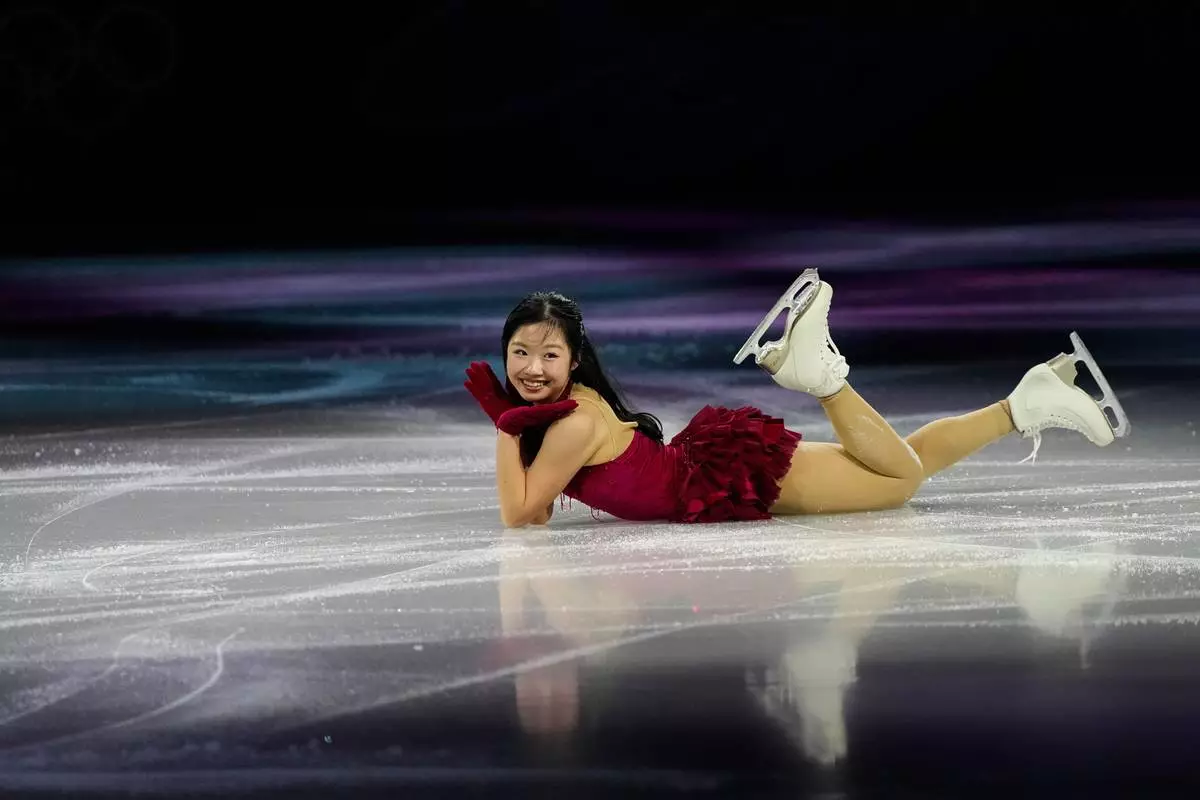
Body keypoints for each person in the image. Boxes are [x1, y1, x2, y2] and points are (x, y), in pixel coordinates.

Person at [464, 269, 1130, 528]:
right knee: (904, 461)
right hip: (712, 471)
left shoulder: (573, 417)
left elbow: (525, 515)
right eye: (520, 353)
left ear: (574, 360)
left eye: (549, 354)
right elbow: (537, 504)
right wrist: (515, 418)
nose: (531, 367)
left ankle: (824, 378)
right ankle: (1025, 403)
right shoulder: (562, 411)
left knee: (898, 481)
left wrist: (503, 423)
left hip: (722, 480)